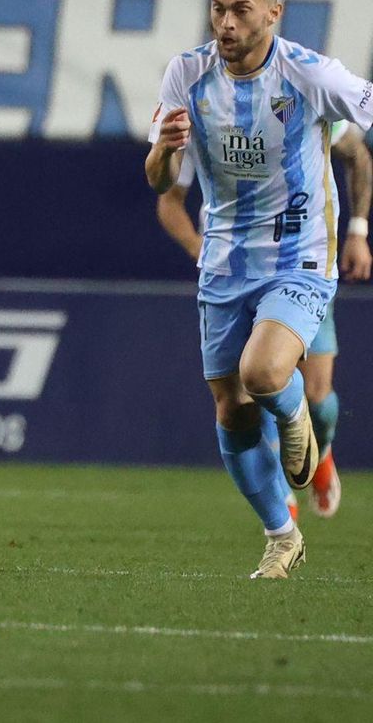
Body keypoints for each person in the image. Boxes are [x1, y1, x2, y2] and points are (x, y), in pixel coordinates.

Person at [144, 0, 373, 578]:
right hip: (224, 259)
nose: (226, 23)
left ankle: (299, 420)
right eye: (218, 9)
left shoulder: (309, 74)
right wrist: (164, 151)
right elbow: (160, 182)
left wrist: (358, 229)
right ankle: (281, 535)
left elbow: (362, 135)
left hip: (299, 254)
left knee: (266, 373)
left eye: (241, 10)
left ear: (273, 13)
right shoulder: (186, 74)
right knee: (232, 408)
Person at [154, 116, 369, 521]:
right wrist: (200, 249)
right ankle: (280, 506)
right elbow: (168, 198)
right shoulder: (202, 106)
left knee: (318, 397)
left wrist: (357, 231)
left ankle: (321, 450)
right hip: (233, 271)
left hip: (298, 264)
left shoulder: (302, 94)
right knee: (250, 388)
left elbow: (357, 153)